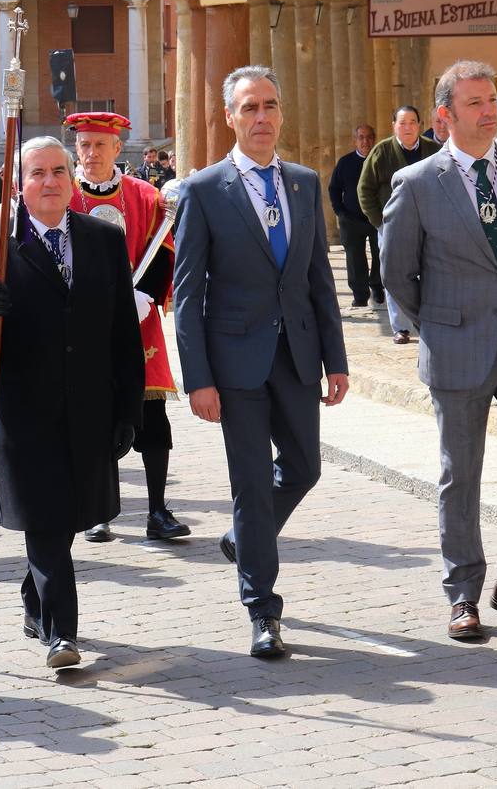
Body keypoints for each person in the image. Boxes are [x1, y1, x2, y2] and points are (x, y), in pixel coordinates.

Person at [381, 60, 497, 641]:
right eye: (476, 103)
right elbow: (397, 273)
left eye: (493, 101)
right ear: (445, 116)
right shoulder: (416, 184)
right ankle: (463, 594)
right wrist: (441, 322)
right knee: (460, 475)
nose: (491, 112)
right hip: (456, 345)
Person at [173, 65, 349, 658]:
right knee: (250, 484)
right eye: (249, 108)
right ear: (229, 117)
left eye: (270, 106)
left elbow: (319, 280)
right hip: (234, 365)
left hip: (296, 356)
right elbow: (187, 293)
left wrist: (336, 359)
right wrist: (197, 378)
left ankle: (243, 540)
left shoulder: (303, 182)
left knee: (304, 468)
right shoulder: (203, 190)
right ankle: (262, 610)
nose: (262, 118)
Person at [0, 135, 143, 668]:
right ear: (19, 183)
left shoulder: (103, 240)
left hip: (88, 409)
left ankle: (36, 599)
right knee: (45, 521)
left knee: (68, 521)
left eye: (59, 171)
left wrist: (130, 408)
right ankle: (64, 634)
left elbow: (123, 333)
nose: (51, 182)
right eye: (38, 173)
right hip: (24, 413)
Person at [67, 111, 188, 542]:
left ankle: (157, 510)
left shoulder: (144, 196)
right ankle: (99, 510)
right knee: (96, 417)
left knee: (152, 415)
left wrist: (146, 296)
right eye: (84, 145)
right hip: (82, 325)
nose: (91, 154)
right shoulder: (63, 197)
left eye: (100, 145)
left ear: (118, 149)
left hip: (138, 321)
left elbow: (164, 248)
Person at [357, 105, 441, 344]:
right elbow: (365, 189)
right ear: (394, 126)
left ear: (419, 124)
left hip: (428, 224)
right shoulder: (381, 152)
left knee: (431, 272)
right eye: (402, 123)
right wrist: (379, 222)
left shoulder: (434, 150)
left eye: (412, 122)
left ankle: (428, 322)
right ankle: (401, 327)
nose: (407, 127)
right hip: (392, 226)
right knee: (395, 275)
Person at [327, 124, 382, 308]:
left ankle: (378, 287)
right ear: (355, 141)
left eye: (368, 137)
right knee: (354, 257)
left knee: (381, 253)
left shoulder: (380, 159)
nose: (365, 141)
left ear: (373, 139)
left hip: (376, 217)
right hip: (351, 219)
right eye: (361, 137)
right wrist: (340, 212)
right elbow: (334, 189)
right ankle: (360, 295)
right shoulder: (345, 163)